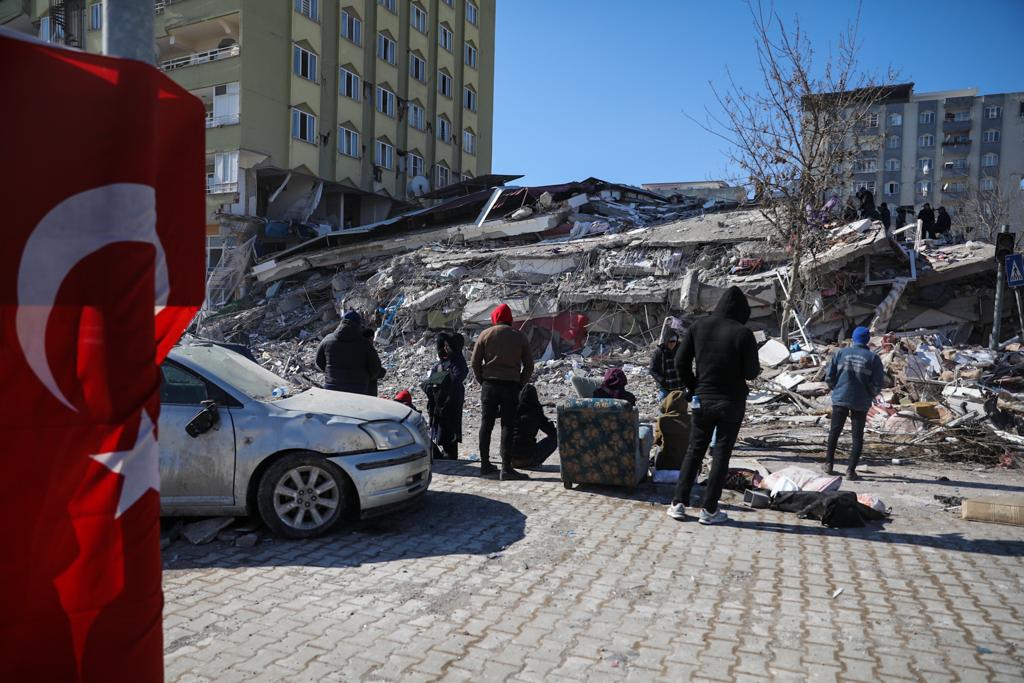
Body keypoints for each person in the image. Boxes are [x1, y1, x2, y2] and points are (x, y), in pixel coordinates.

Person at [668, 286, 760, 525]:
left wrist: (693, 387)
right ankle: (709, 510)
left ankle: (678, 503)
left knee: (694, 450)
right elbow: (751, 373)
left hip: (703, 400)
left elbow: (680, 362)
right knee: (721, 454)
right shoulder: (743, 333)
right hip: (732, 403)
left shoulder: (699, 327)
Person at [471, 304, 534, 480]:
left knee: (486, 424)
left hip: (489, 386)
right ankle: (506, 468)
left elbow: (475, 362)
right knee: (508, 425)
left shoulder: (485, 334)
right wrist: (520, 383)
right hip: (511, 386)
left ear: (495, 317)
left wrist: (482, 381)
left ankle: (484, 465)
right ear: (509, 318)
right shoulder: (519, 336)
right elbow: (529, 365)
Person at [824, 326, 885, 480]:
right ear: (867, 340)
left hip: (841, 398)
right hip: (861, 401)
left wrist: (836, 389)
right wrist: (870, 393)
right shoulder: (873, 358)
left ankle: (829, 464)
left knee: (835, 432)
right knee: (857, 437)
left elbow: (829, 377)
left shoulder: (840, 353)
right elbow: (878, 383)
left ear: (853, 338)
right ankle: (851, 471)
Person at [422, 331, 468, 461]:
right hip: (440, 399)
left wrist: (439, 379)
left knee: (450, 427)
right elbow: (430, 381)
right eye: (444, 346)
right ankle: (446, 452)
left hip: (451, 399)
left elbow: (455, 378)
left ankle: (451, 455)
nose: (445, 348)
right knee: (441, 425)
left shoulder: (458, 361)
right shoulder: (444, 360)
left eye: (448, 346)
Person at [315, 311, 384, 395]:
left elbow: (319, 362)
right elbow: (375, 369)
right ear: (358, 325)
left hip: (331, 388)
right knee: (373, 379)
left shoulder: (327, 339)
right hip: (358, 391)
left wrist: (331, 374)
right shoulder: (365, 344)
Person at [510, 384, 558, 470]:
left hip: (509, 460)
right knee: (555, 438)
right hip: (526, 459)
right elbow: (552, 432)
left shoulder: (513, 410)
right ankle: (534, 463)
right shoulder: (536, 412)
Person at [653, 390, 690, 472]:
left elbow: (657, 441)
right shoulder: (692, 420)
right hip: (687, 471)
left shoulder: (663, 420)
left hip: (664, 469)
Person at [650, 332, 685, 400]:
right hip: (666, 388)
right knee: (664, 408)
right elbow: (652, 370)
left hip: (681, 386)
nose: (672, 343)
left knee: (681, 407)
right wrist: (661, 380)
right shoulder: (659, 352)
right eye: (669, 341)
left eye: (673, 341)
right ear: (666, 341)